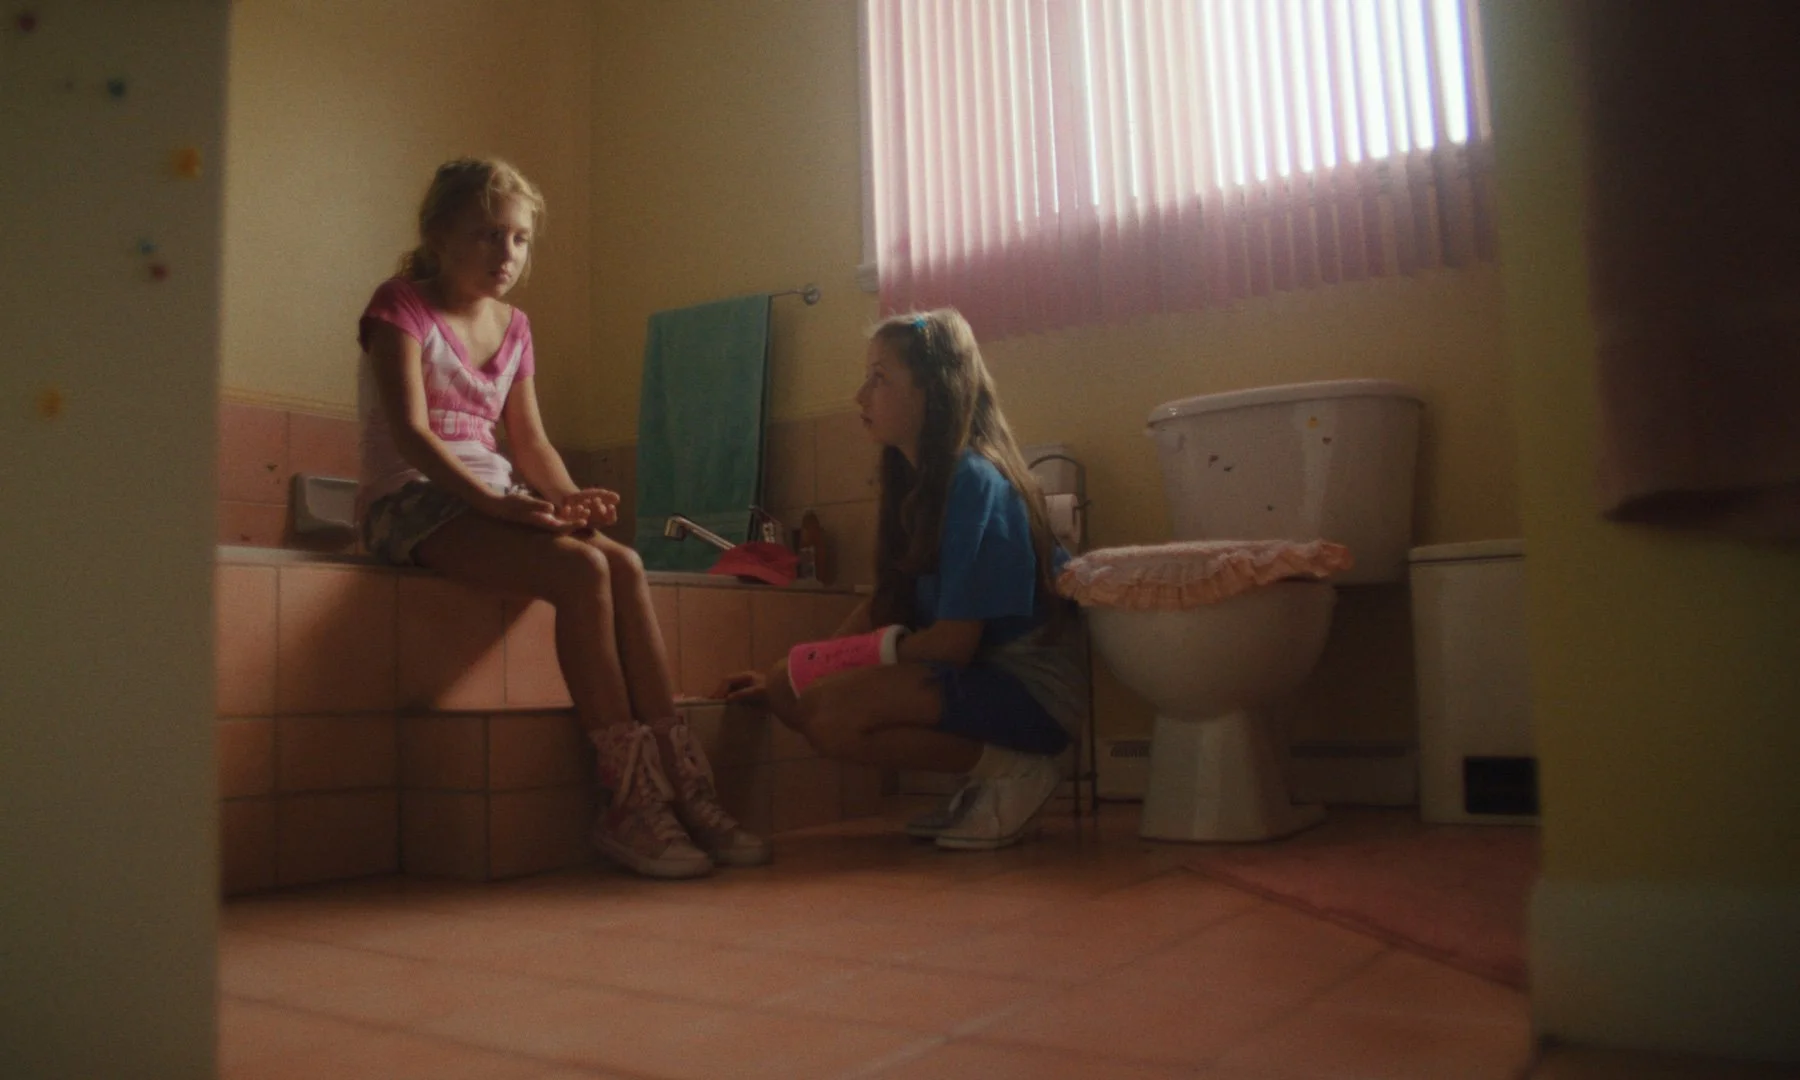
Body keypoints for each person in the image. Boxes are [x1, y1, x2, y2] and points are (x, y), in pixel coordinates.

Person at [355, 158, 768, 879]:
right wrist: (493, 503)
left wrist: (571, 499)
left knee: (623, 561)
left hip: (491, 498)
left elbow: (531, 443)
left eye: (519, 239)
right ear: (438, 234)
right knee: (580, 570)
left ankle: (683, 783)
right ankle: (628, 804)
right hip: (409, 501)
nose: (507, 254)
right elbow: (412, 434)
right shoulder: (401, 306)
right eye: (488, 234)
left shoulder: (515, 326)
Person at [716, 309, 1088, 850]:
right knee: (788, 689)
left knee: (832, 713)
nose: (859, 396)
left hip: (1034, 696)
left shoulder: (973, 481)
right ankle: (990, 776)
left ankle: (1018, 769)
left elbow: (953, 645)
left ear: (932, 391)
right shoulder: (916, 485)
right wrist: (797, 672)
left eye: (879, 378)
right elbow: (887, 604)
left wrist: (831, 670)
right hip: (984, 680)